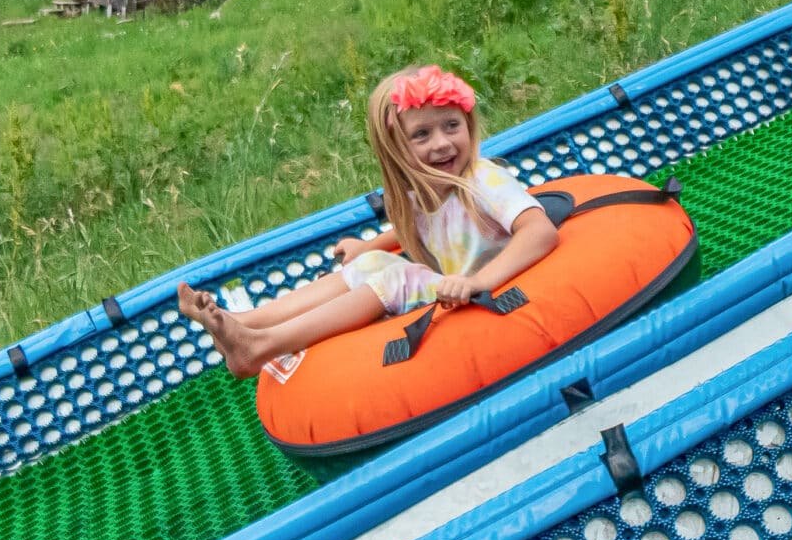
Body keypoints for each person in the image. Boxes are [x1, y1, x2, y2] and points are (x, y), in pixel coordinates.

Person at [178, 65, 557, 378]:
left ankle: (262, 345)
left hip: (493, 293)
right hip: (455, 293)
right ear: (396, 150)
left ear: (468, 124)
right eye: (422, 135)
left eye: (451, 126)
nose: (442, 143)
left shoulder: (482, 179)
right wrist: (369, 248)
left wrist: (477, 281)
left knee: (397, 277)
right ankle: (248, 321)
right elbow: (431, 229)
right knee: (371, 265)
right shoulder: (422, 195)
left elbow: (540, 231)